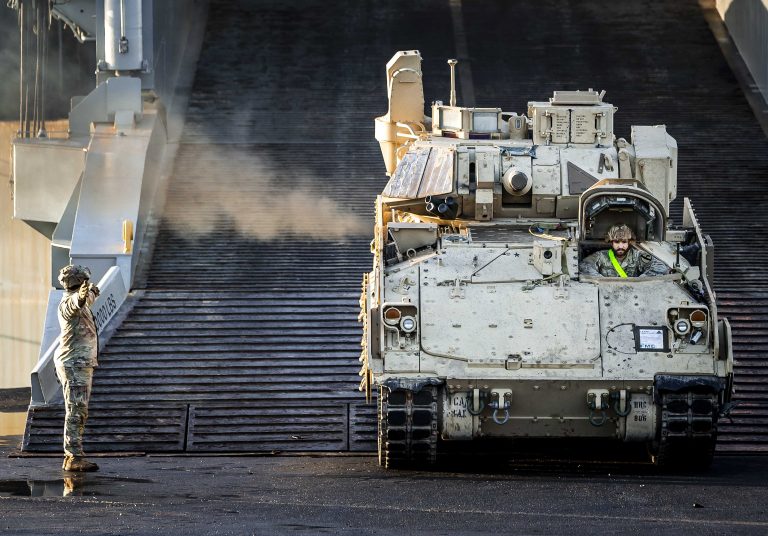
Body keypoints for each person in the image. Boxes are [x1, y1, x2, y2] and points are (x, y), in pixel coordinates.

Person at [54, 264, 100, 472]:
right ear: (79, 282)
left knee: (78, 409)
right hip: (74, 363)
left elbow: (84, 299)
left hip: (78, 362)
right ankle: (73, 457)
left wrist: (91, 293)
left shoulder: (80, 300)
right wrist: (82, 296)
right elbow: (75, 303)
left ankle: (73, 455)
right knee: (75, 410)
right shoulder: (69, 303)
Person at [580, 223, 668, 278]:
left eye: (624, 242)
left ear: (629, 242)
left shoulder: (637, 256)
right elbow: (584, 265)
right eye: (616, 242)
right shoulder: (601, 256)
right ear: (611, 243)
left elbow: (660, 267)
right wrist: (600, 280)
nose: (620, 246)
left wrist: (642, 279)